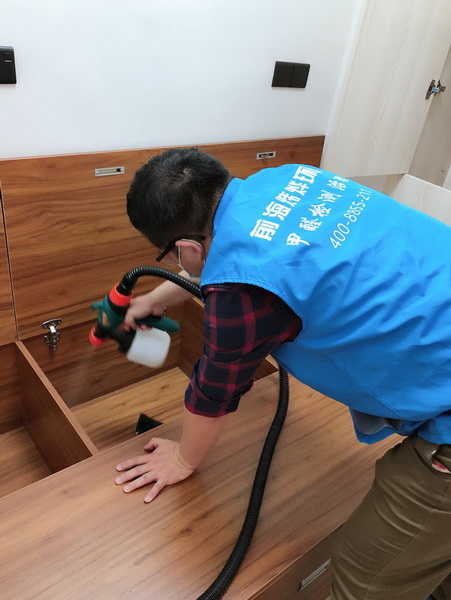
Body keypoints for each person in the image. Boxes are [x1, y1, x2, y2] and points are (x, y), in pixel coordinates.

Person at [114, 147, 451, 600]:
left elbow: (213, 391)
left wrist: (181, 460)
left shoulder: (239, 289)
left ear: (186, 248)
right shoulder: (287, 179)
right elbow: (246, 256)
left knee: (367, 576)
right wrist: (156, 298)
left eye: (173, 257)